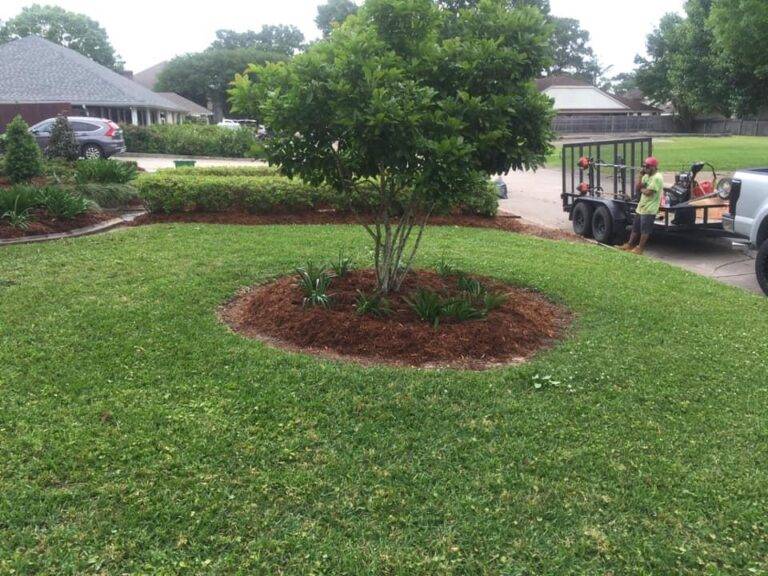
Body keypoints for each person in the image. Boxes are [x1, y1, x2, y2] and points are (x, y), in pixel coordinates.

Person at [620, 156, 664, 255]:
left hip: (650, 208)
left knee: (645, 230)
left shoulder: (657, 177)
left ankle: (640, 248)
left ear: (653, 167)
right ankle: (629, 244)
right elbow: (638, 187)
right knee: (635, 227)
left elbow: (648, 192)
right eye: (644, 166)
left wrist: (642, 189)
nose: (645, 168)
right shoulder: (646, 176)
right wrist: (640, 176)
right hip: (642, 206)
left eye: (647, 166)